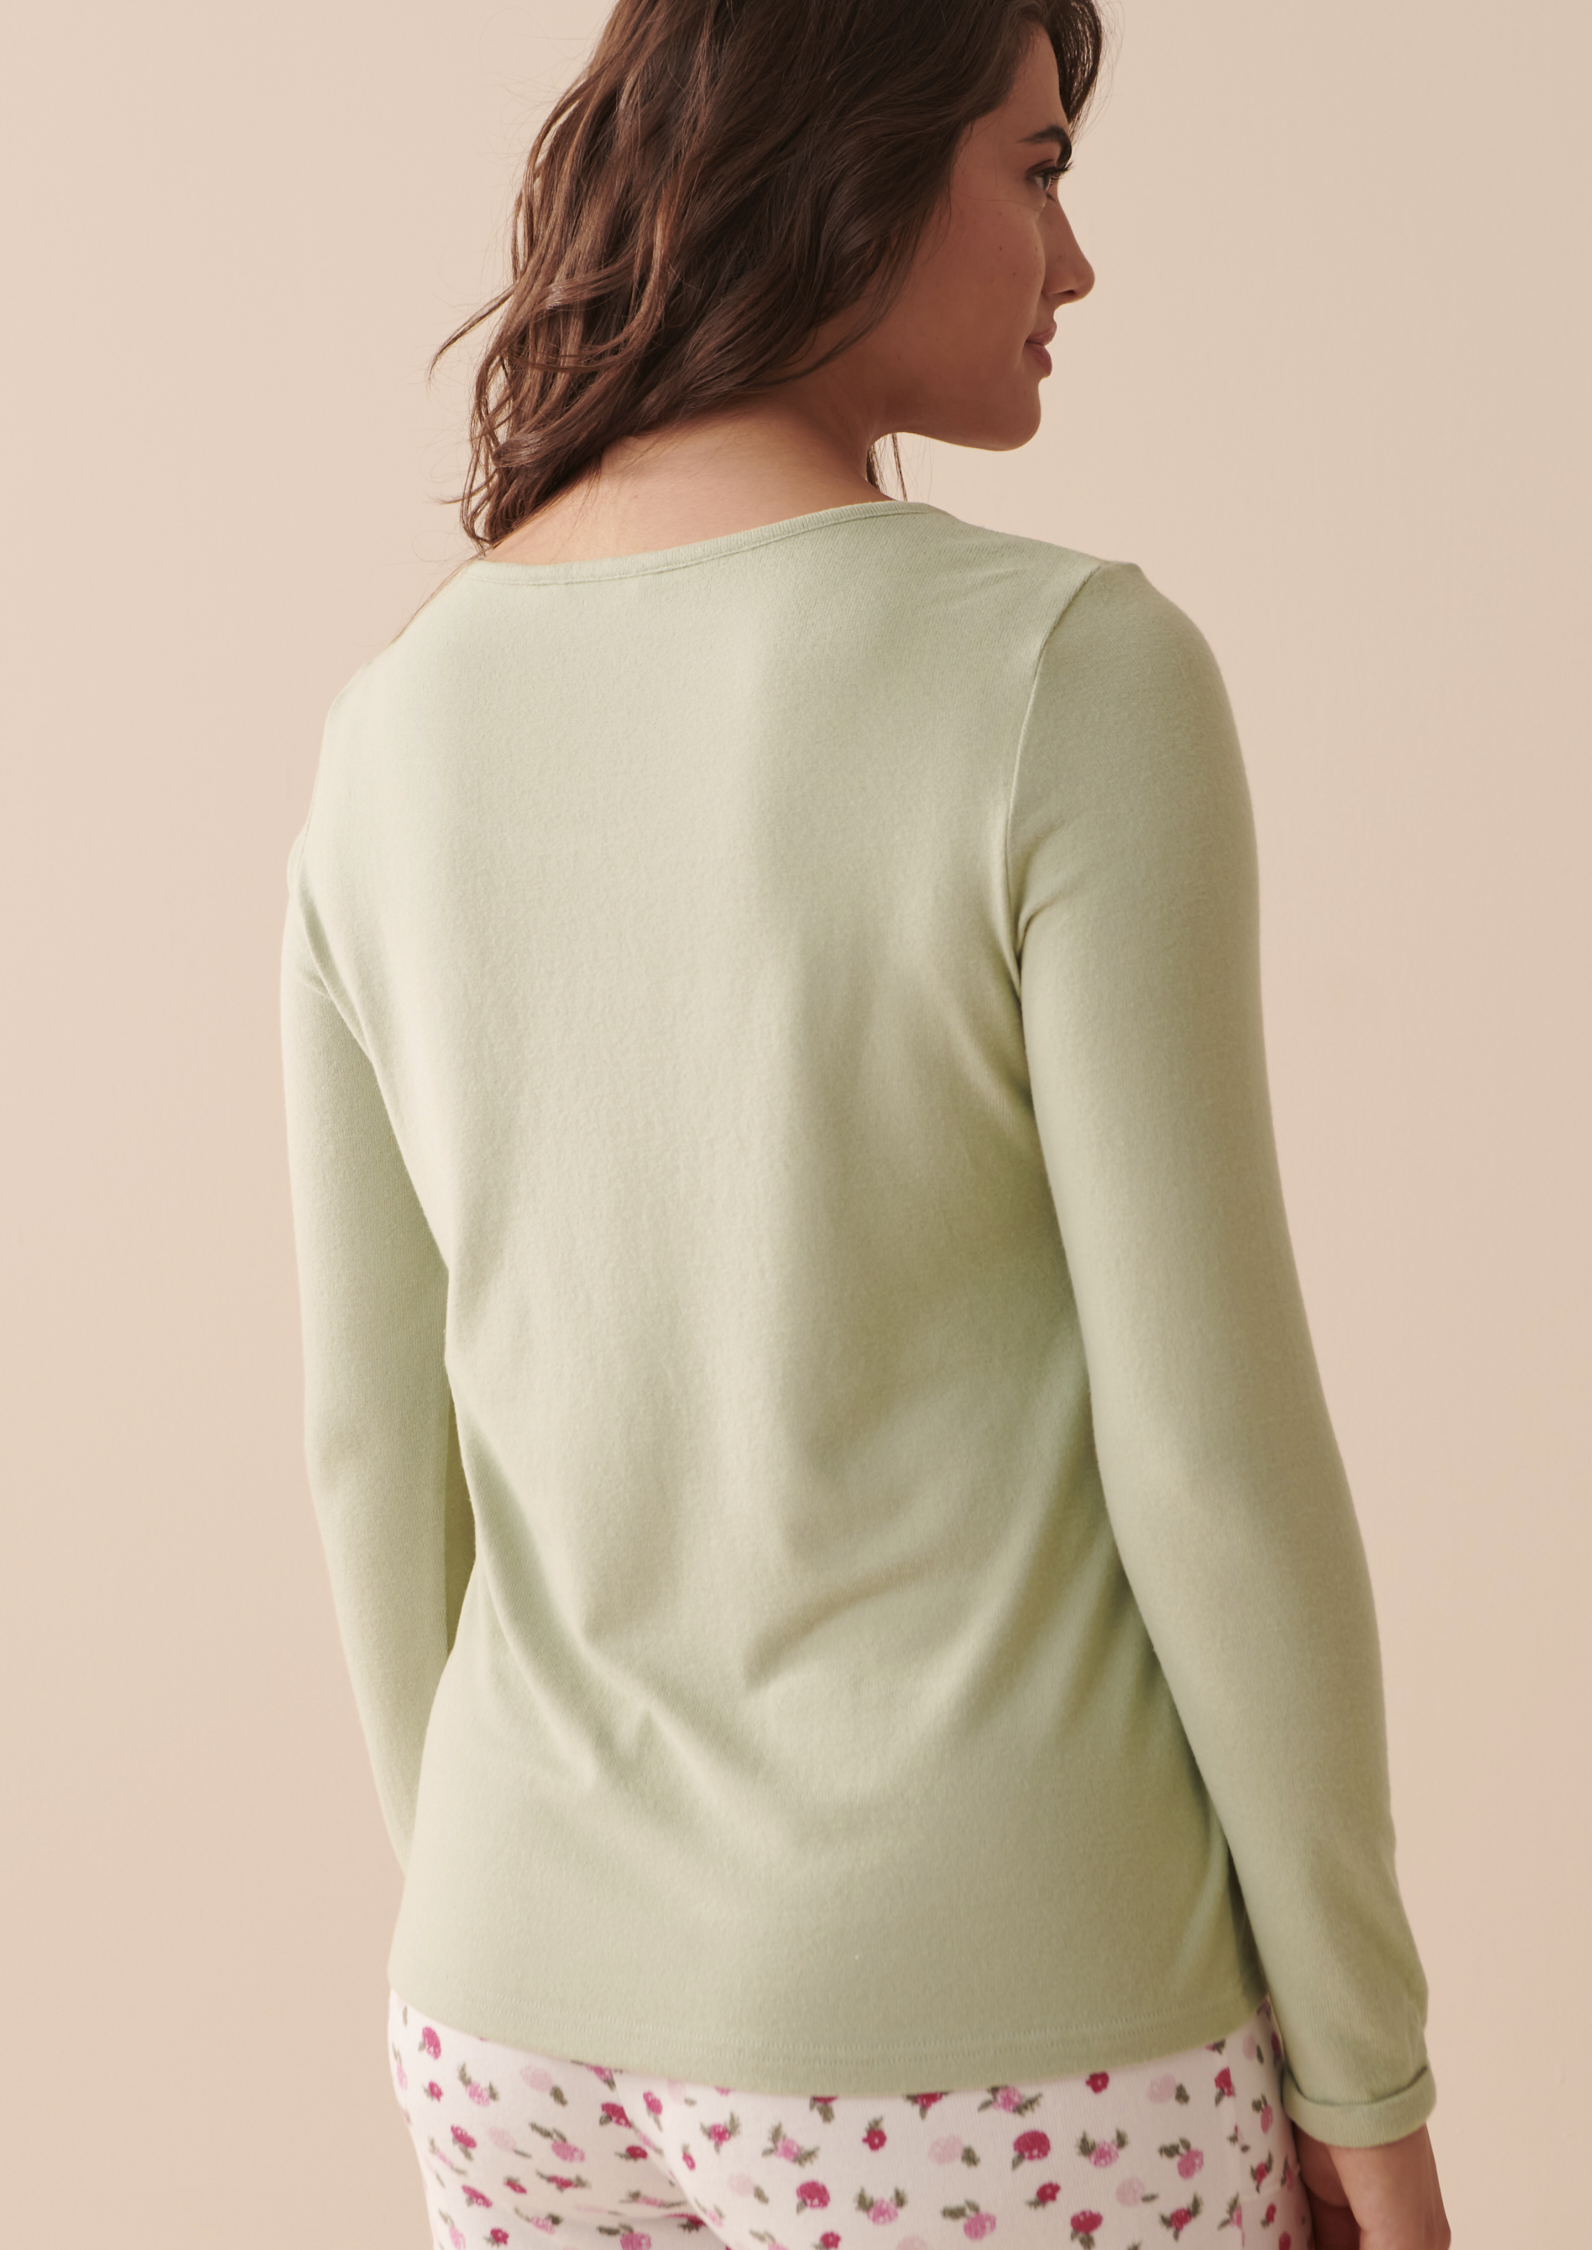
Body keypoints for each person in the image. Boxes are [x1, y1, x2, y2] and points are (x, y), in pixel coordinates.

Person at [278, 3, 1451, 2245]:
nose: (1075, 260)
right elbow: (1212, 1467)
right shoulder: (1067, 674)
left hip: (510, 2024)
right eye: (1037, 167)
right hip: (994, 2042)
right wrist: (1370, 2098)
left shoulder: (392, 726)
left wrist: (537, 1927)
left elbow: (367, 1445)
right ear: (850, 157)